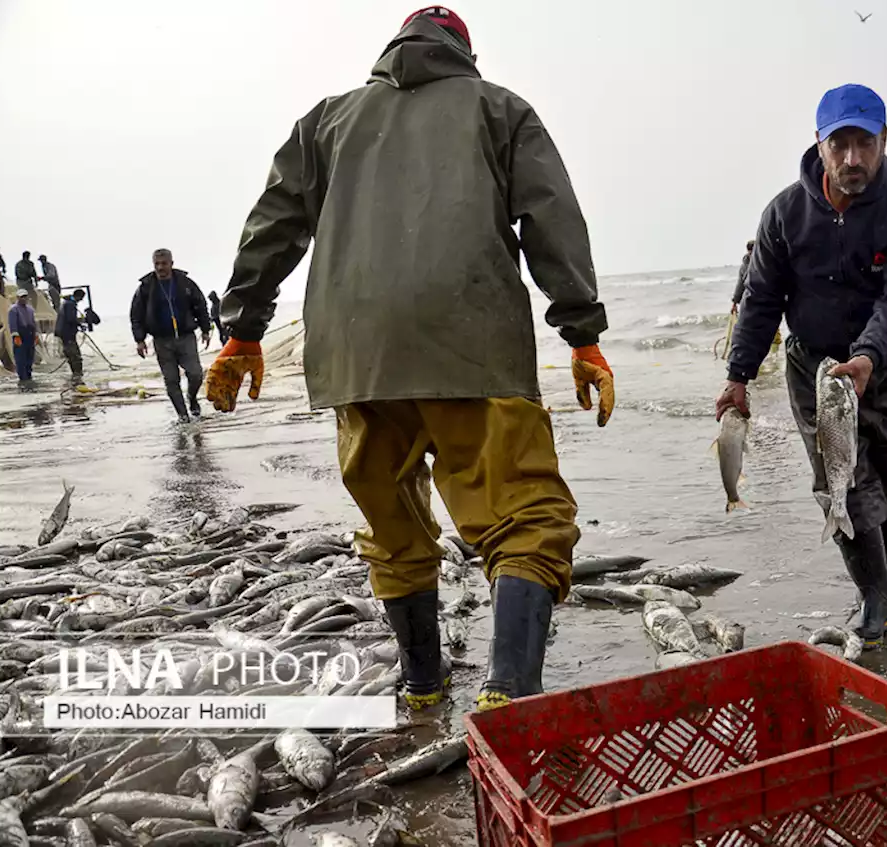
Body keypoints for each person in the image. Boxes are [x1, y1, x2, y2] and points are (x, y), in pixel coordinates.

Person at [206, 7, 612, 713]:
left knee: (391, 524)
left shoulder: (327, 122)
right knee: (527, 516)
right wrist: (582, 333)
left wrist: (241, 329)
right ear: (465, 53)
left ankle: (422, 685)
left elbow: (271, 225)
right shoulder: (499, 109)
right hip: (472, 344)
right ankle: (509, 694)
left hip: (355, 354)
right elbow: (553, 220)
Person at [716, 84, 887, 650]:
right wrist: (738, 377)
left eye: (865, 143)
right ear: (819, 143)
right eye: (840, 144)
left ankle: (876, 543)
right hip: (815, 367)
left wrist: (867, 356)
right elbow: (762, 300)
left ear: (885, 140)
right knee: (843, 481)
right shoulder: (784, 214)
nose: (853, 159)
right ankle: (874, 599)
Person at [130, 249, 212, 422]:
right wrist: (139, 340)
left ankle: (192, 398)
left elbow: (200, 305)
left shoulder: (185, 282)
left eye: (164, 263)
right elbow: (136, 315)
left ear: (171, 263)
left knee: (196, 373)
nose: (160, 268)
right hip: (161, 340)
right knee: (171, 380)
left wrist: (205, 329)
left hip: (186, 337)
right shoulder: (146, 287)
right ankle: (183, 417)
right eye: (157, 264)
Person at [56, 289, 99, 382]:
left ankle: (75, 376)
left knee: (71, 355)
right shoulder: (70, 304)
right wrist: (80, 325)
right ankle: (77, 376)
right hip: (68, 334)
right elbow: (71, 319)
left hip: (64, 334)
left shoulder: (66, 303)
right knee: (75, 356)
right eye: (81, 298)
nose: (80, 300)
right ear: (79, 296)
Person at [8, 289, 38, 388]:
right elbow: (12, 324)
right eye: (21, 297)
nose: (24, 299)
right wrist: (15, 335)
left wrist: (36, 334)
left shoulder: (30, 309)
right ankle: (23, 379)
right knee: (21, 358)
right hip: (21, 334)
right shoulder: (13, 309)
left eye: (25, 296)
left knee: (30, 357)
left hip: (30, 334)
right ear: (17, 298)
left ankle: (29, 376)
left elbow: (34, 322)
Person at [731, 240, 754, 314]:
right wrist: (734, 303)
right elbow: (740, 285)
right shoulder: (744, 267)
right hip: (750, 301)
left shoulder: (765, 263)